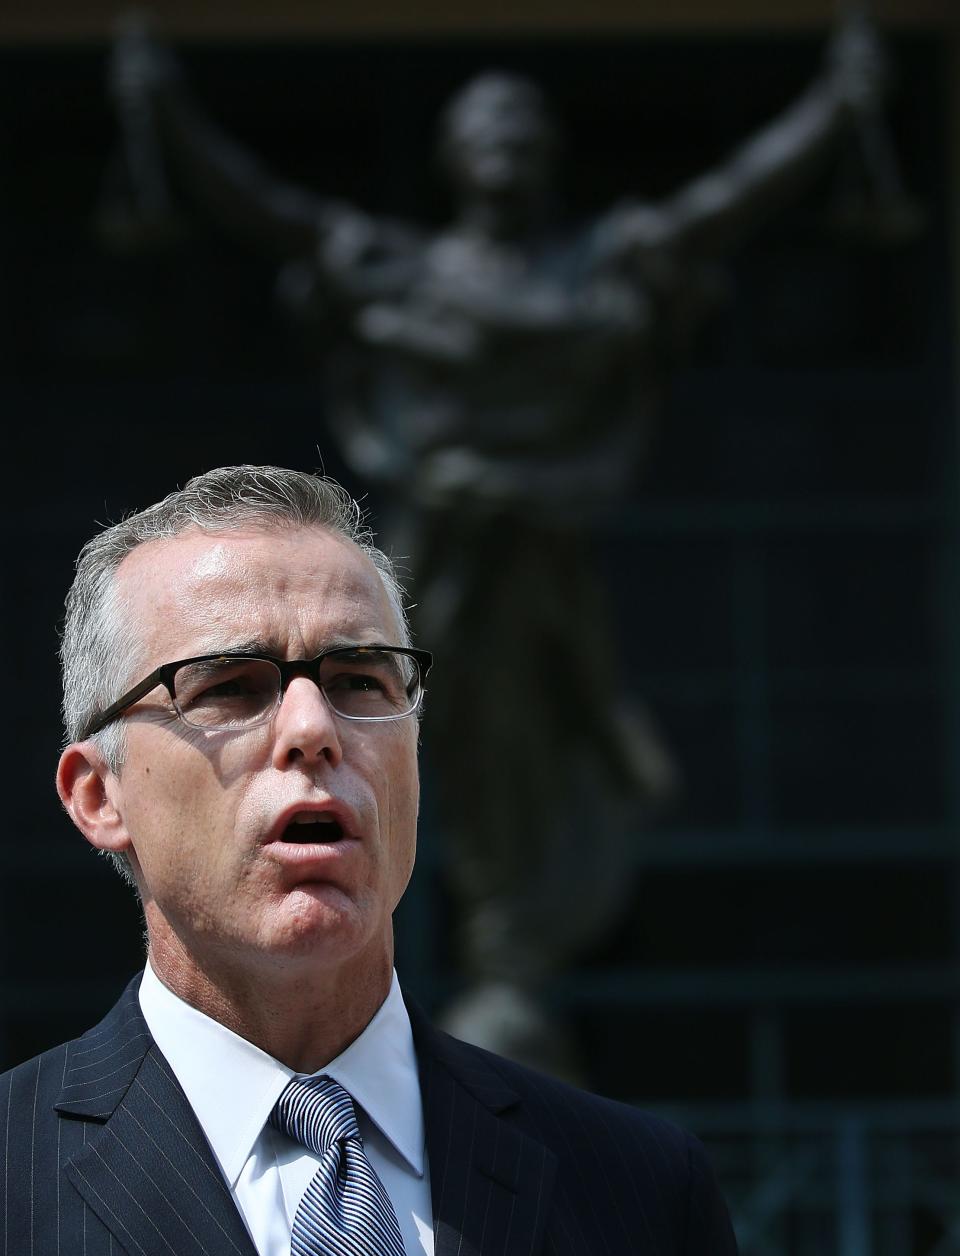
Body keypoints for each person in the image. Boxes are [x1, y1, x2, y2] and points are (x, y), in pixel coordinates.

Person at [105, 21, 891, 1073]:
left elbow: (730, 201)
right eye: (486, 131)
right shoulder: (400, 270)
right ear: (454, 158)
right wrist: (165, 111)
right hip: (441, 576)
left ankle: (507, 960)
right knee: (362, 736)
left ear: (548, 156)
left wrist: (837, 111)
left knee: (537, 766)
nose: (506, 147)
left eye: (524, 129)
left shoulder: (604, 261)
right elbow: (265, 210)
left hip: (543, 582)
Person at [0, 464, 743, 1256]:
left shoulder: (641, 1191)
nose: (314, 728)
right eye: (230, 687)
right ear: (99, 795)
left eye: (361, 680)